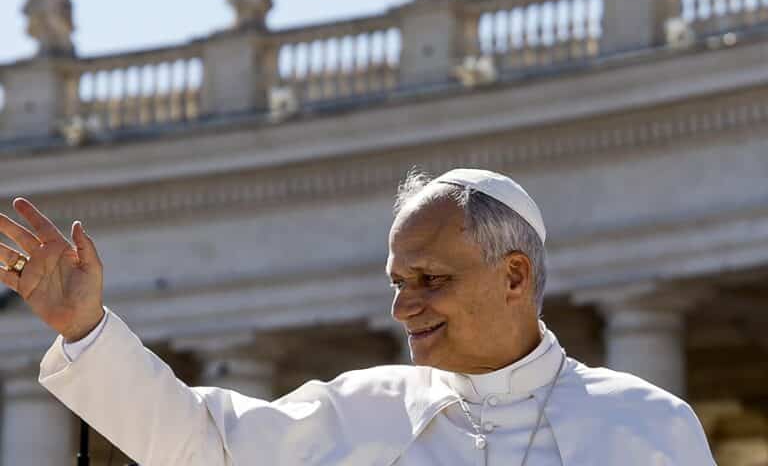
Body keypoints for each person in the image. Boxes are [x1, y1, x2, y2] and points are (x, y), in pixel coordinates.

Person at [0, 168, 715, 465]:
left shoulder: (650, 427)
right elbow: (201, 445)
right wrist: (85, 328)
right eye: (397, 281)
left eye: (430, 279)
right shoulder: (361, 412)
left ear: (515, 276)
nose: (404, 305)